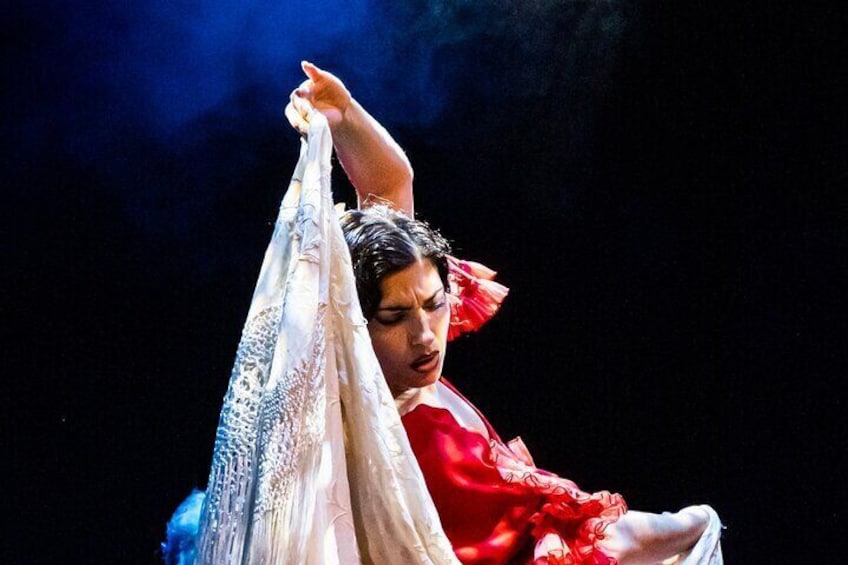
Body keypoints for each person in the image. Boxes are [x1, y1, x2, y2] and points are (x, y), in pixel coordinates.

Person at [164, 62, 722, 564]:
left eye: (435, 305)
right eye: (393, 317)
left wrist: (346, 116)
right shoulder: (344, 408)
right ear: (351, 325)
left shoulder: (406, 345)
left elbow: (388, 186)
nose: (425, 334)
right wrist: (690, 525)